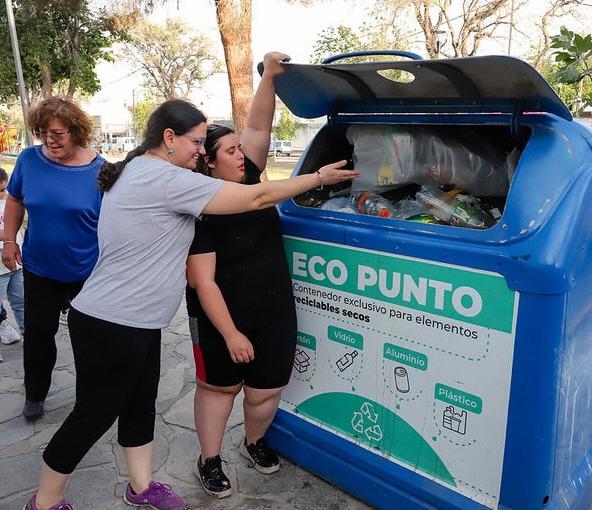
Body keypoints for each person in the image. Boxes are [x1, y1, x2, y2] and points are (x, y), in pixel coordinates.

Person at [23, 95, 359, 510]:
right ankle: (44, 501)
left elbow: (246, 171)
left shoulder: (143, 170)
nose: (201, 152)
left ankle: (141, 487)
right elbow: (254, 197)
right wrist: (317, 178)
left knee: (140, 406)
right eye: (197, 142)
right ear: (169, 138)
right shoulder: (160, 179)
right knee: (93, 415)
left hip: (138, 321)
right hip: (111, 321)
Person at [186, 52, 298, 499]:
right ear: (209, 164)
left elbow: (257, 128)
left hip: (273, 309)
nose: (243, 155)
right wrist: (231, 333)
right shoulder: (197, 207)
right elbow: (202, 281)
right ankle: (209, 458)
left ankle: (254, 441)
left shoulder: (248, 174)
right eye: (230, 151)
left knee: (265, 392)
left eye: (239, 149)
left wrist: (269, 75)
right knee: (219, 389)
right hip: (220, 317)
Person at [1, 97, 103, 421]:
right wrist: (8, 240)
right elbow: (15, 198)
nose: (50, 140)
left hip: (87, 268)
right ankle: (35, 394)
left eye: (57, 134)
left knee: (88, 337)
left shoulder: (100, 170)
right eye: (43, 133)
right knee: (38, 334)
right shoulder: (30, 160)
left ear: (77, 131)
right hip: (40, 266)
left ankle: (91, 398)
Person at [0, 167, 25, 350]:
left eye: (4, 189)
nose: (3, 194)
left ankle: (30, 337)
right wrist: (10, 233)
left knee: (21, 302)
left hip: (17, 264)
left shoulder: (10, 201)